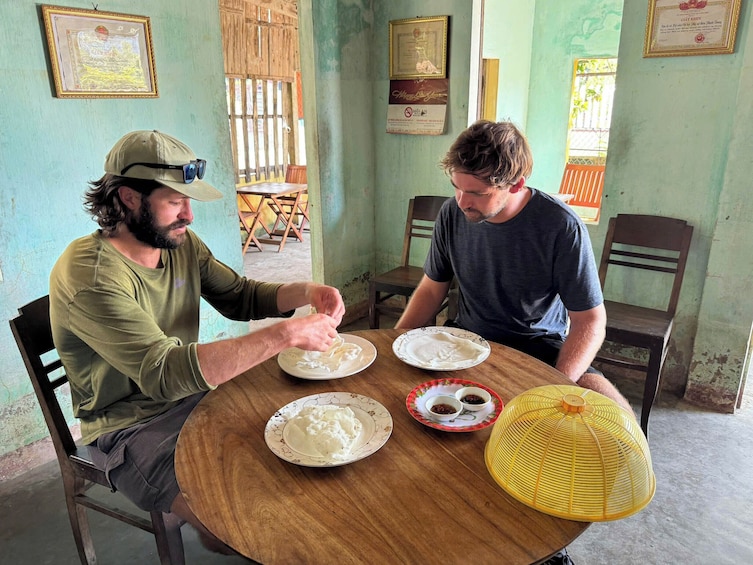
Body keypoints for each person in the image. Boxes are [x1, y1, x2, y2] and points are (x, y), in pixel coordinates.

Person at [49, 130, 345, 555]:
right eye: (175, 201)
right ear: (130, 198)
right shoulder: (91, 276)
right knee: (241, 523)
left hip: (195, 395)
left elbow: (240, 295)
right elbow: (165, 373)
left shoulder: (177, 244)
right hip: (130, 427)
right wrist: (287, 333)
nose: (189, 215)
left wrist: (307, 291)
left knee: (301, 454)